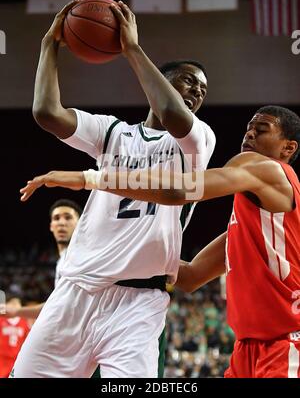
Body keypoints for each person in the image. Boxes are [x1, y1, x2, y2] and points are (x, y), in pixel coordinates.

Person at [13, 0, 215, 378]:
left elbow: (173, 113)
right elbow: (47, 113)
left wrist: (131, 49)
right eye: (188, 81)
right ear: (163, 80)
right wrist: (48, 46)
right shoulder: (112, 132)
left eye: (203, 90)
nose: (197, 92)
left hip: (138, 302)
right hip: (75, 293)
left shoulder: (198, 139)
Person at [22, 105, 300, 378]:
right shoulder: (254, 227)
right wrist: (117, 251)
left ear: (288, 148)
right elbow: (191, 276)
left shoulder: (268, 169)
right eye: (248, 128)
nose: (249, 134)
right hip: (248, 350)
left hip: (286, 342)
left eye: (261, 130)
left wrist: (88, 178)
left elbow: (180, 189)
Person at [4, 199, 82, 320]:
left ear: (80, 224)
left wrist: (18, 311)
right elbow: (56, 306)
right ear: (51, 226)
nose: (62, 223)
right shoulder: (62, 261)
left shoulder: (79, 257)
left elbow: (60, 307)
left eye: (68, 217)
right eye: (56, 218)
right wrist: (16, 311)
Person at [0, 296, 30, 378]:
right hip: (2, 358)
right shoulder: (1, 319)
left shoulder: (24, 322)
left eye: (17, 304)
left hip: (16, 358)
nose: (15, 305)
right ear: (6, 304)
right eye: (12, 303)